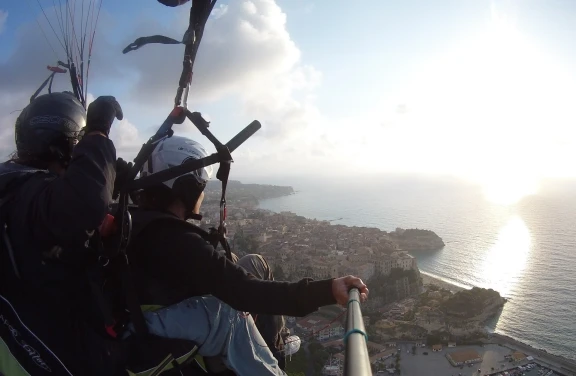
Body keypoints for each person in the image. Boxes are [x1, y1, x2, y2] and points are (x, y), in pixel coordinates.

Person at [125, 135, 369, 376]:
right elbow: (244, 291)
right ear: (187, 187)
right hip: (147, 325)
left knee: (253, 263)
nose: (203, 192)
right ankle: (271, 368)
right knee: (228, 310)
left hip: (151, 311)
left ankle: (275, 347)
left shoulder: (142, 220)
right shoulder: (174, 239)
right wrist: (327, 289)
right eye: (201, 185)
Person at [0, 93, 123, 376]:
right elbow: (83, 203)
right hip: (45, 349)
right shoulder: (30, 193)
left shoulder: (13, 187)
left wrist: (110, 175)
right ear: (69, 145)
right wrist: (98, 136)